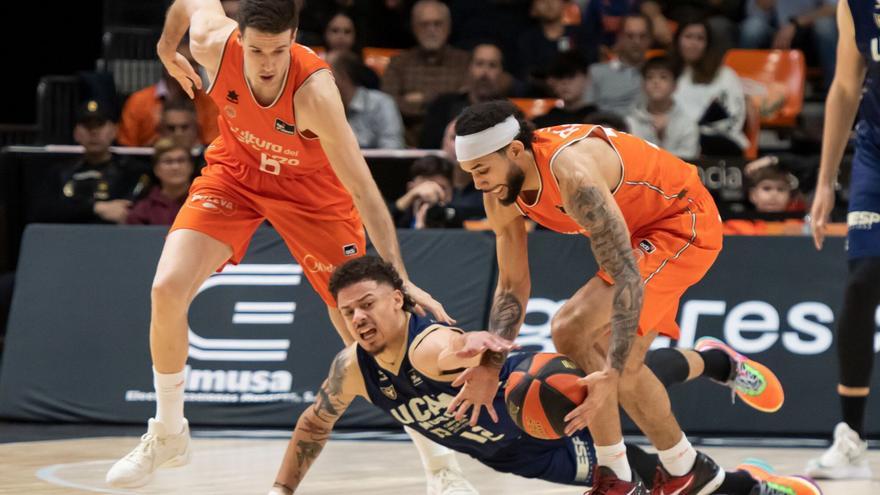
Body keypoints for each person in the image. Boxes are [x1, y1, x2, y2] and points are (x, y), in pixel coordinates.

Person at [104, 2, 468, 493]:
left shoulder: (315, 91)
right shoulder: (215, 41)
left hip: (313, 195)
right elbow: (188, 3)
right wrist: (167, 47)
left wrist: (397, 277)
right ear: (241, 40)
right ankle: (168, 432)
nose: (268, 63)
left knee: (369, 334)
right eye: (256, 50)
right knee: (167, 287)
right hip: (236, 175)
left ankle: (441, 465)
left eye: (279, 50)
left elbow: (365, 191)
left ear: (295, 39)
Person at [268, 255, 816, 495]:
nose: (359, 318)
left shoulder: (429, 346)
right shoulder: (354, 370)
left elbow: (457, 347)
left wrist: (480, 349)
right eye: (348, 312)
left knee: (669, 477)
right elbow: (314, 425)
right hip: (521, 456)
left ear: (399, 301)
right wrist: (280, 490)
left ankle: (753, 486)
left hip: (550, 418)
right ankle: (717, 359)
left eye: (367, 304)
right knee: (634, 380)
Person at [446, 100, 777, 494]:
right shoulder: (501, 189)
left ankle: (616, 478)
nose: (478, 182)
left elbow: (626, 276)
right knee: (625, 369)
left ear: (515, 150)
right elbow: (512, 285)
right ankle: (687, 468)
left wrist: (611, 372)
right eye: (470, 173)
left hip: (682, 222)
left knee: (576, 332)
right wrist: (490, 363)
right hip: (638, 235)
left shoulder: (573, 173)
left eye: (482, 170)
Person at [806, 0, 880, 480]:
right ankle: (850, 438)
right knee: (862, 284)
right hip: (876, 151)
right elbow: (846, 87)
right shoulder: (854, 5)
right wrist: (825, 182)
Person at [29, 100, 151, 225]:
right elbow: (42, 211)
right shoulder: (59, 173)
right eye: (87, 126)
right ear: (76, 133)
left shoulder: (134, 172)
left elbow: (126, 210)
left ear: (114, 130)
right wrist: (96, 208)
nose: (94, 132)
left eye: (100, 125)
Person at [381, 0, 470, 146]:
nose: (431, 30)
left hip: (455, 144)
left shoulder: (465, 62)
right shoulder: (398, 63)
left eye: (437, 24)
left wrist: (420, 99)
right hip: (406, 147)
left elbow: (464, 105)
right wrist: (442, 102)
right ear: (414, 28)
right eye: (424, 24)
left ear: (448, 27)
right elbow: (388, 105)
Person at [117, 40, 219, 147]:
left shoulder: (209, 102)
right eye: (187, 64)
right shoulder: (139, 102)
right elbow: (126, 147)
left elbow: (212, 145)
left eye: (196, 64)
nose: (195, 70)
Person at [672, 19, 748, 156]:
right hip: (674, 143)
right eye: (688, 37)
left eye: (700, 38)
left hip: (717, 143)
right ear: (677, 40)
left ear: (708, 44)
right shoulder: (667, 75)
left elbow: (734, 118)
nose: (693, 43)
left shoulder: (725, 75)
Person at [419, 43, 507, 149]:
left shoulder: (511, 114)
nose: (485, 72)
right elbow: (428, 148)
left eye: (492, 65)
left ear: (501, 72)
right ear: (469, 68)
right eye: (479, 64)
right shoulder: (442, 107)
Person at [739, 0, 837, 89]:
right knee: (752, 28)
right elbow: (753, 12)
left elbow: (834, 7)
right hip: (775, 31)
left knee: (825, 26)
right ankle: (745, 89)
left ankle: (833, 89)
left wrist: (795, 23)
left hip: (808, 32)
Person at [625, 56, 700, 160]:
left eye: (663, 77)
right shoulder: (630, 123)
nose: (656, 82)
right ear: (643, 85)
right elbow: (630, 158)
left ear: (675, 85)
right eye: (650, 77)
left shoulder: (687, 123)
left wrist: (663, 138)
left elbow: (689, 160)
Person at [328, 51, 405, 149]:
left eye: (325, 72)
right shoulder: (323, 107)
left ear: (343, 76)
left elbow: (392, 149)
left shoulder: (382, 104)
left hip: (376, 163)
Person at [588, 14, 653, 118]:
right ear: (620, 38)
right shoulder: (596, 72)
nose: (636, 42)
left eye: (642, 36)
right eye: (630, 36)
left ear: (650, 39)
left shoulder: (659, 75)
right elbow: (586, 116)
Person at [126, 137, 195, 226]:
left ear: (191, 167)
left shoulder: (205, 202)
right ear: (156, 169)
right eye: (168, 161)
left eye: (181, 160)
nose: (175, 167)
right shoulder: (143, 209)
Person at [532, 51, 597, 129]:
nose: (564, 83)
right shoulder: (542, 123)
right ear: (551, 81)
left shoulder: (600, 121)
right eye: (559, 77)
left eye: (571, 76)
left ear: (587, 78)